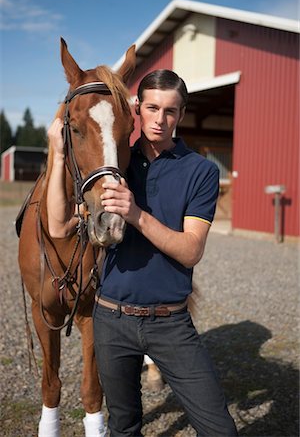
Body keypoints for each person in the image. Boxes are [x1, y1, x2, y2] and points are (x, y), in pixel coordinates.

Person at [47, 69, 238, 437]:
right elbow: (58, 227)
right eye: (152, 108)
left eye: (170, 111)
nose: (160, 119)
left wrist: (135, 214)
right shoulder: (115, 164)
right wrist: (57, 155)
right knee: (124, 426)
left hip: (170, 323)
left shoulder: (200, 172)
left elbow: (191, 251)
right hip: (111, 320)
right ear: (137, 109)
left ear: (181, 114)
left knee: (219, 428)